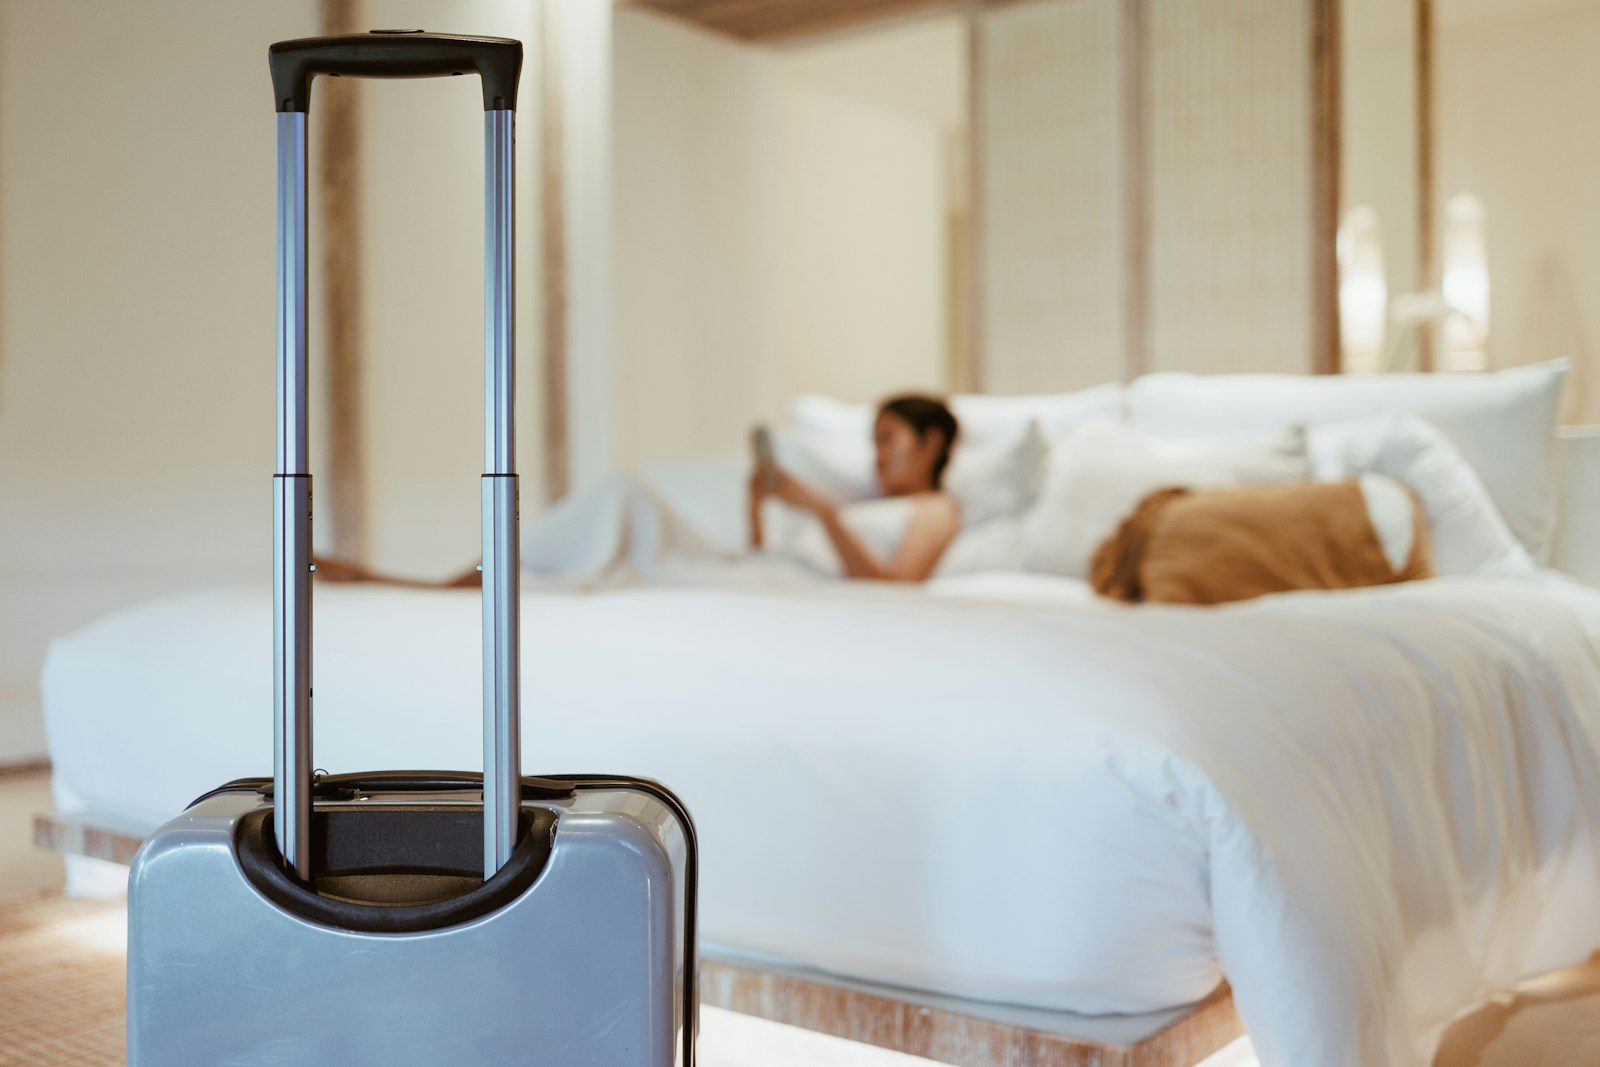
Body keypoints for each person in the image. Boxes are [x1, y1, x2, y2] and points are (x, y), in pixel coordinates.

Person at [750, 394, 961, 582]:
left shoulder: (935, 509)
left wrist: (823, 512)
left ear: (931, 443)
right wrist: (756, 503)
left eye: (887, 438)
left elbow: (896, 590)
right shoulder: (866, 505)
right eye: (875, 443)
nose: (879, 455)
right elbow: (764, 560)